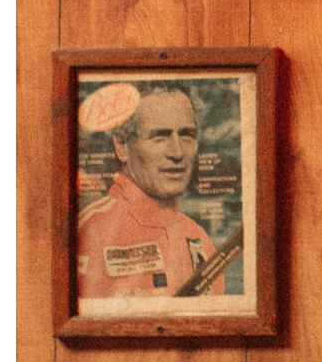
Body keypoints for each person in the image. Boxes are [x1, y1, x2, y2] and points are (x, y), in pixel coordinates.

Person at [76, 84, 222, 297]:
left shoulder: (197, 236)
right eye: (160, 136)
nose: (177, 152)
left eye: (187, 135)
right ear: (122, 146)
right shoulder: (92, 230)